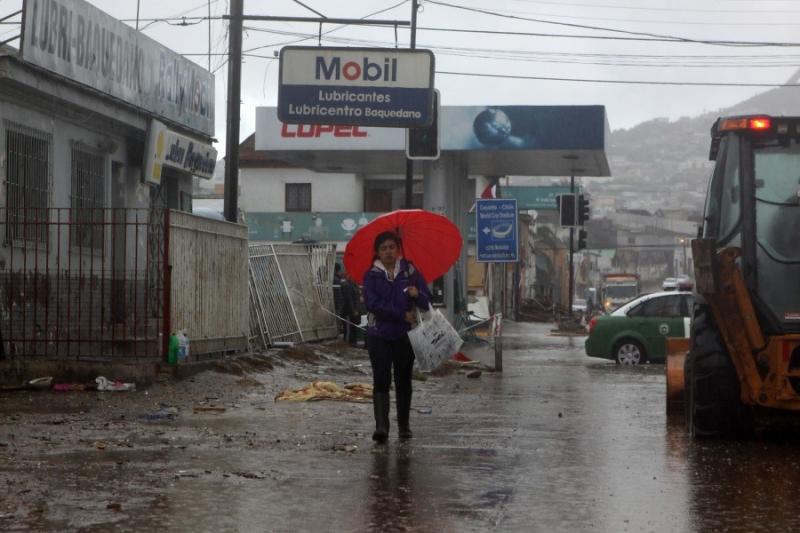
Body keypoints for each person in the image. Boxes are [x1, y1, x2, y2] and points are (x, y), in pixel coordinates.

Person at [362, 231, 432, 442]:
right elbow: (372, 304)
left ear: (398, 249)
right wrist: (401, 315)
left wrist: (416, 294)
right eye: (383, 248)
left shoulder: (410, 272)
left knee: (403, 380)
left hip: (404, 336)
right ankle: (382, 427)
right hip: (379, 335)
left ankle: (404, 426)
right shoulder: (371, 275)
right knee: (381, 379)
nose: (388, 252)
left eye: (392, 247)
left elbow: (427, 301)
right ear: (378, 252)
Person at [340, 270, 363, 347]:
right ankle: (348, 343)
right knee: (349, 327)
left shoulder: (354, 285)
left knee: (354, 326)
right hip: (349, 311)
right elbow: (349, 299)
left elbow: (356, 298)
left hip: (355, 310)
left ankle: (353, 341)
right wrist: (353, 309)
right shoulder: (346, 285)